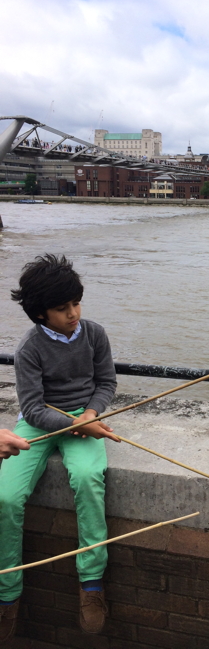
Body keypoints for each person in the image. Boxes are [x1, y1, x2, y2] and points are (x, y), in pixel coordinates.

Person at [0, 254, 119, 644]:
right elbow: (32, 408)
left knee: (87, 479)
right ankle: (7, 596)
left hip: (83, 420)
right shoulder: (29, 349)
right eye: (61, 308)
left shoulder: (95, 334)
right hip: (38, 424)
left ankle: (91, 583)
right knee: (5, 497)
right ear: (39, 314)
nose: (73, 314)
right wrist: (74, 423)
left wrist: (89, 413)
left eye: (76, 303)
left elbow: (106, 383)